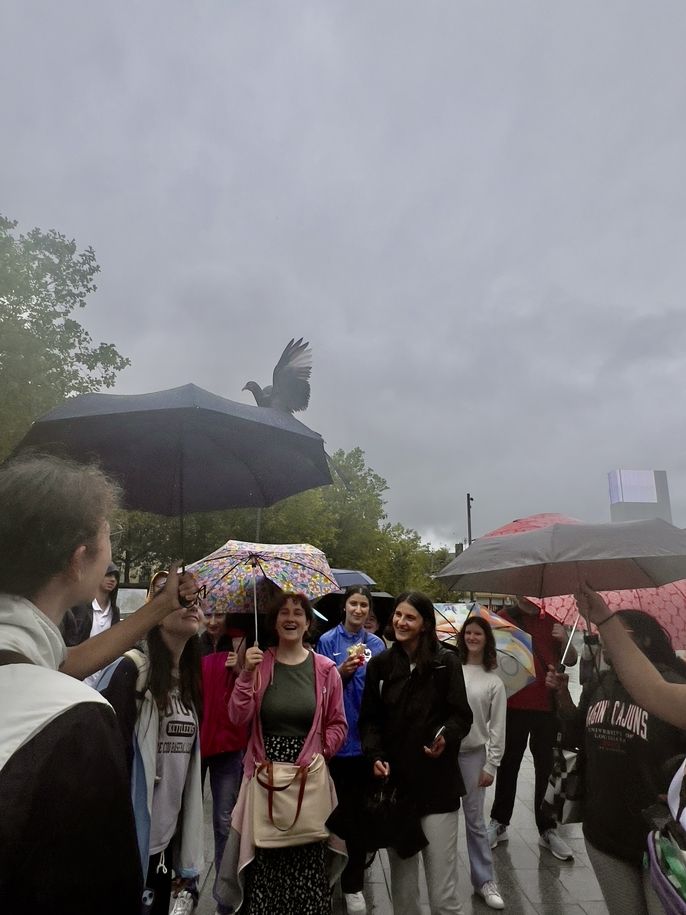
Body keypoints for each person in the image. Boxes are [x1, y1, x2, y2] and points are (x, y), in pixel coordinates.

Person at [0, 453, 195, 914]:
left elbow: (59, 664)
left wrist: (159, 607)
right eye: (110, 535)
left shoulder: (25, 666)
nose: (111, 549)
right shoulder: (77, 720)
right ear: (78, 560)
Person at [546, 605, 686, 915]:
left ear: (645, 641)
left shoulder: (675, 685)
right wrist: (561, 697)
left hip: (662, 839)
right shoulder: (600, 683)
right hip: (605, 833)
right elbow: (574, 735)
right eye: (601, 633)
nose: (604, 640)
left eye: (612, 632)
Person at [216, 591, 348, 915]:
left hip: (309, 781)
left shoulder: (325, 669)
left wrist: (322, 751)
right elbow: (237, 716)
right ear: (274, 623)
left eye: (298, 613)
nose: (291, 618)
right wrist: (246, 674)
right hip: (266, 783)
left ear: (307, 623)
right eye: (284, 613)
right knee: (266, 867)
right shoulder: (260, 662)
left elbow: (338, 723)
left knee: (308, 867)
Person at [359, 591, 473, 915]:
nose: (400, 622)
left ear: (425, 624)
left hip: (439, 790)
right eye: (397, 615)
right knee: (405, 893)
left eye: (409, 617)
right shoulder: (380, 665)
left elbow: (461, 716)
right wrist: (375, 755)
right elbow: (369, 721)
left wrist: (445, 737)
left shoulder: (446, 662)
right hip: (398, 792)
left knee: (442, 896)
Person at [99, 572, 205, 915]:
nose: (191, 601)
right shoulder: (131, 671)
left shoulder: (189, 682)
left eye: (196, 595)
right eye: (177, 594)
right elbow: (103, 757)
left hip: (163, 845)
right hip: (126, 845)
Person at [487, 596, 578, 861]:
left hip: (547, 709)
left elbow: (570, 659)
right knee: (508, 764)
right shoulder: (502, 617)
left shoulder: (553, 619)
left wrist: (563, 639)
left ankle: (548, 829)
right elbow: (490, 659)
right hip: (513, 705)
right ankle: (499, 822)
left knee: (546, 769)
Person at [316, 586, 386, 914]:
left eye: (363, 605)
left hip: (365, 744)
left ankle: (354, 883)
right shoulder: (328, 642)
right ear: (344, 607)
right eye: (353, 604)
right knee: (331, 814)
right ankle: (327, 874)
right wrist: (341, 675)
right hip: (334, 745)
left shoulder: (377, 646)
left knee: (360, 816)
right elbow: (320, 692)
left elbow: (384, 695)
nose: (358, 610)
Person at [199, 605, 249, 913]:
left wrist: (241, 670)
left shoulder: (241, 644)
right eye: (209, 614)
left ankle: (225, 898)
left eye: (220, 614)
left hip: (229, 744)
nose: (214, 621)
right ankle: (185, 884)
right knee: (183, 819)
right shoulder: (194, 644)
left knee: (223, 822)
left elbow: (251, 690)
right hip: (195, 742)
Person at [457, 616, 506, 910]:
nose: (472, 637)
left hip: (474, 756)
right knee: (443, 820)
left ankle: (484, 879)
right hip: (444, 755)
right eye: (469, 633)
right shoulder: (449, 669)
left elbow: (498, 727)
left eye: (478, 633)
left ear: (486, 639)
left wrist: (492, 764)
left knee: (475, 822)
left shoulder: (494, 682)